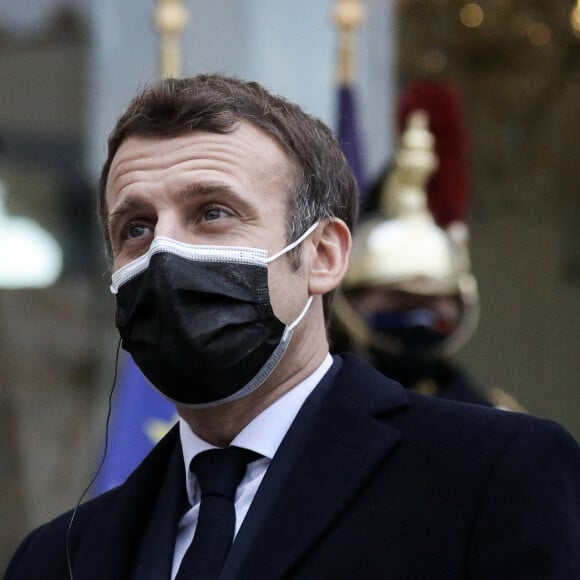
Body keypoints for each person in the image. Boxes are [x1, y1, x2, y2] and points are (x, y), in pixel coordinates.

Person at [5, 74, 580, 579]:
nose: (164, 252)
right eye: (135, 227)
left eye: (212, 213)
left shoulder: (487, 477)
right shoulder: (58, 559)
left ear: (323, 255)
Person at [331, 81, 522, 409]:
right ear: (350, 298)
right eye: (399, 298)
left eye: (434, 302)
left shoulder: (494, 416)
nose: (420, 317)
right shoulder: (312, 406)